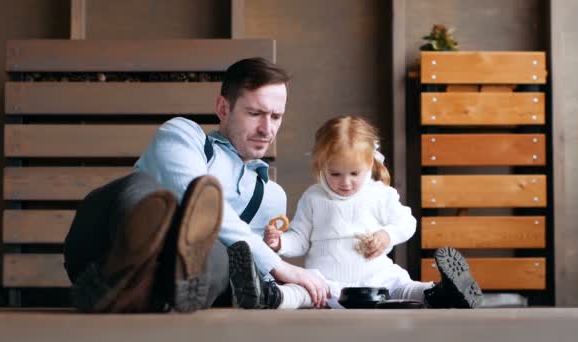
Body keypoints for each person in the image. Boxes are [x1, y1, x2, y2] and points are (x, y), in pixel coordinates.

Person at [64, 57, 329, 313]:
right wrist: (279, 265)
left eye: (276, 116)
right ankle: (128, 269)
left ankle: (131, 285)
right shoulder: (182, 134)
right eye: (255, 113)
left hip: (174, 287)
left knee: (228, 257)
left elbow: (252, 280)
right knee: (141, 189)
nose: (266, 129)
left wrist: (294, 286)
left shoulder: (271, 197)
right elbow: (190, 190)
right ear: (223, 109)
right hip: (98, 249)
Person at [264, 115, 483, 309]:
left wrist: (386, 235)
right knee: (305, 290)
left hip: (376, 278)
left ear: (369, 163)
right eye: (335, 173)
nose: (346, 182)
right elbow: (300, 239)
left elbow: (406, 223)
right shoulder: (313, 197)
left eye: (354, 173)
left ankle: (442, 293)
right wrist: (280, 242)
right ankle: (272, 295)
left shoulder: (379, 194)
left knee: (402, 287)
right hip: (328, 282)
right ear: (321, 165)